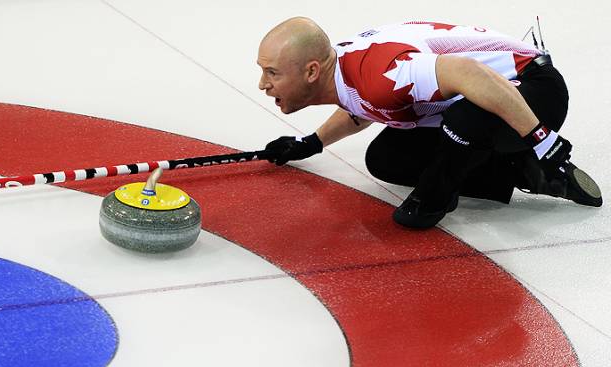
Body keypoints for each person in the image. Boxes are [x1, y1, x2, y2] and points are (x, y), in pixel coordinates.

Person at [257, 17, 602, 229]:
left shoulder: (380, 73)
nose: (263, 83)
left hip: (535, 91)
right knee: (385, 159)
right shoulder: (346, 67)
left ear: (312, 71)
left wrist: (543, 138)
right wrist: (311, 143)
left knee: (463, 119)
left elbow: (468, 73)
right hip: (497, 98)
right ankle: (522, 170)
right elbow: (361, 107)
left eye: (272, 72)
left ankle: (437, 196)